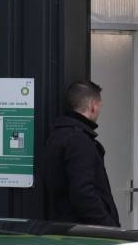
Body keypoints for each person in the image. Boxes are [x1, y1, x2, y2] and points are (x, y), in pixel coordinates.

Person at [42, 80, 120, 227]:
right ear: (93, 106)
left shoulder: (58, 134)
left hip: (66, 226)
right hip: (87, 233)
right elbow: (83, 192)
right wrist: (108, 226)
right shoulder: (79, 140)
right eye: (100, 105)